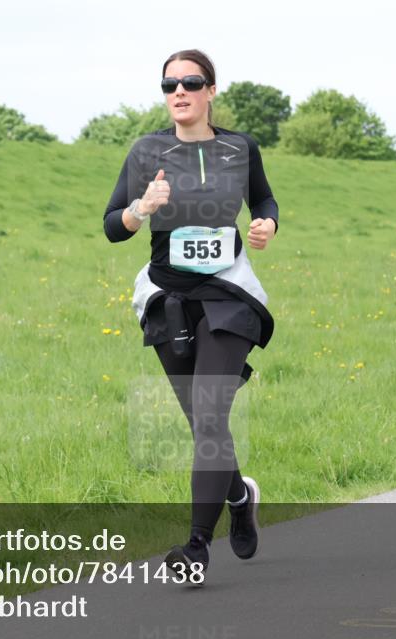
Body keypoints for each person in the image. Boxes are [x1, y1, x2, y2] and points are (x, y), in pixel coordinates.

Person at [103, 49, 279, 584]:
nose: (179, 91)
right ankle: (238, 497)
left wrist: (267, 226)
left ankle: (197, 546)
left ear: (211, 90)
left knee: (209, 413)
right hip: (168, 296)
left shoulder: (238, 148)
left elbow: (265, 202)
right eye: (170, 84)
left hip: (227, 293)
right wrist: (141, 210)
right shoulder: (146, 151)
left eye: (191, 82)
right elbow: (113, 226)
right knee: (202, 424)